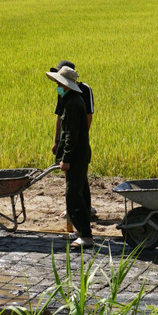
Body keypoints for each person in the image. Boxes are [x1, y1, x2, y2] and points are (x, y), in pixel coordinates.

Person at [49, 66, 94, 248]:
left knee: (73, 195)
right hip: (79, 154)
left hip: (76, 156)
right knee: (81, 191)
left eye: (59, 83)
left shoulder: (74, 104)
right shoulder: (70, 100)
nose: (57, 86)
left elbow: (71, 136)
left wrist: (66, 159)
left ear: (65, 85)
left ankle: (86, 236)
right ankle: (80, 231)